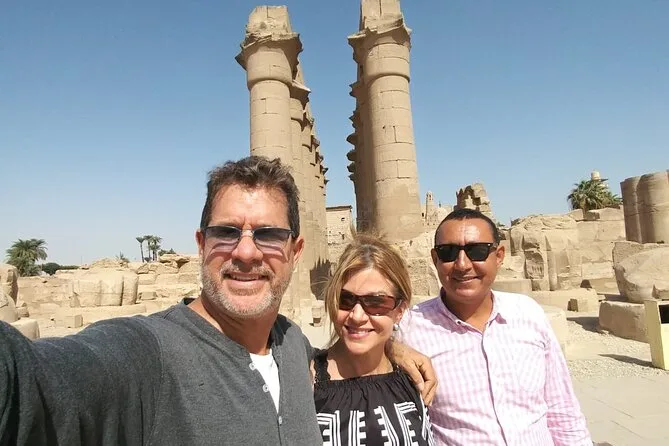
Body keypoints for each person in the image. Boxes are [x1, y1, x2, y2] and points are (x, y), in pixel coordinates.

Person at [0, 156, 436, 445]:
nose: (245, 252)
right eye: (226, 232)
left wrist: (391, 345)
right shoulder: (147, 353)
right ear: (201, 244)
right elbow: (28, 383)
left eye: (268, 234)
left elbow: (342, 358)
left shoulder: (291, 344)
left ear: (295, 251)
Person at [399, 208, 592, 446]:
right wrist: (392, 348)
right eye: (448, 252)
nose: (462, 264)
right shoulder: (410, 328)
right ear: (435, 259)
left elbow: (562, 409)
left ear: (499, 256)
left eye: (477, 251)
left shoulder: (528, 313)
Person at [313, 234, 435, 446]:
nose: (357, 316)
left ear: (400, 311)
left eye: (376, 303)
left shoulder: (413, 381)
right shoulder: (306, 382)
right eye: (345, 299)